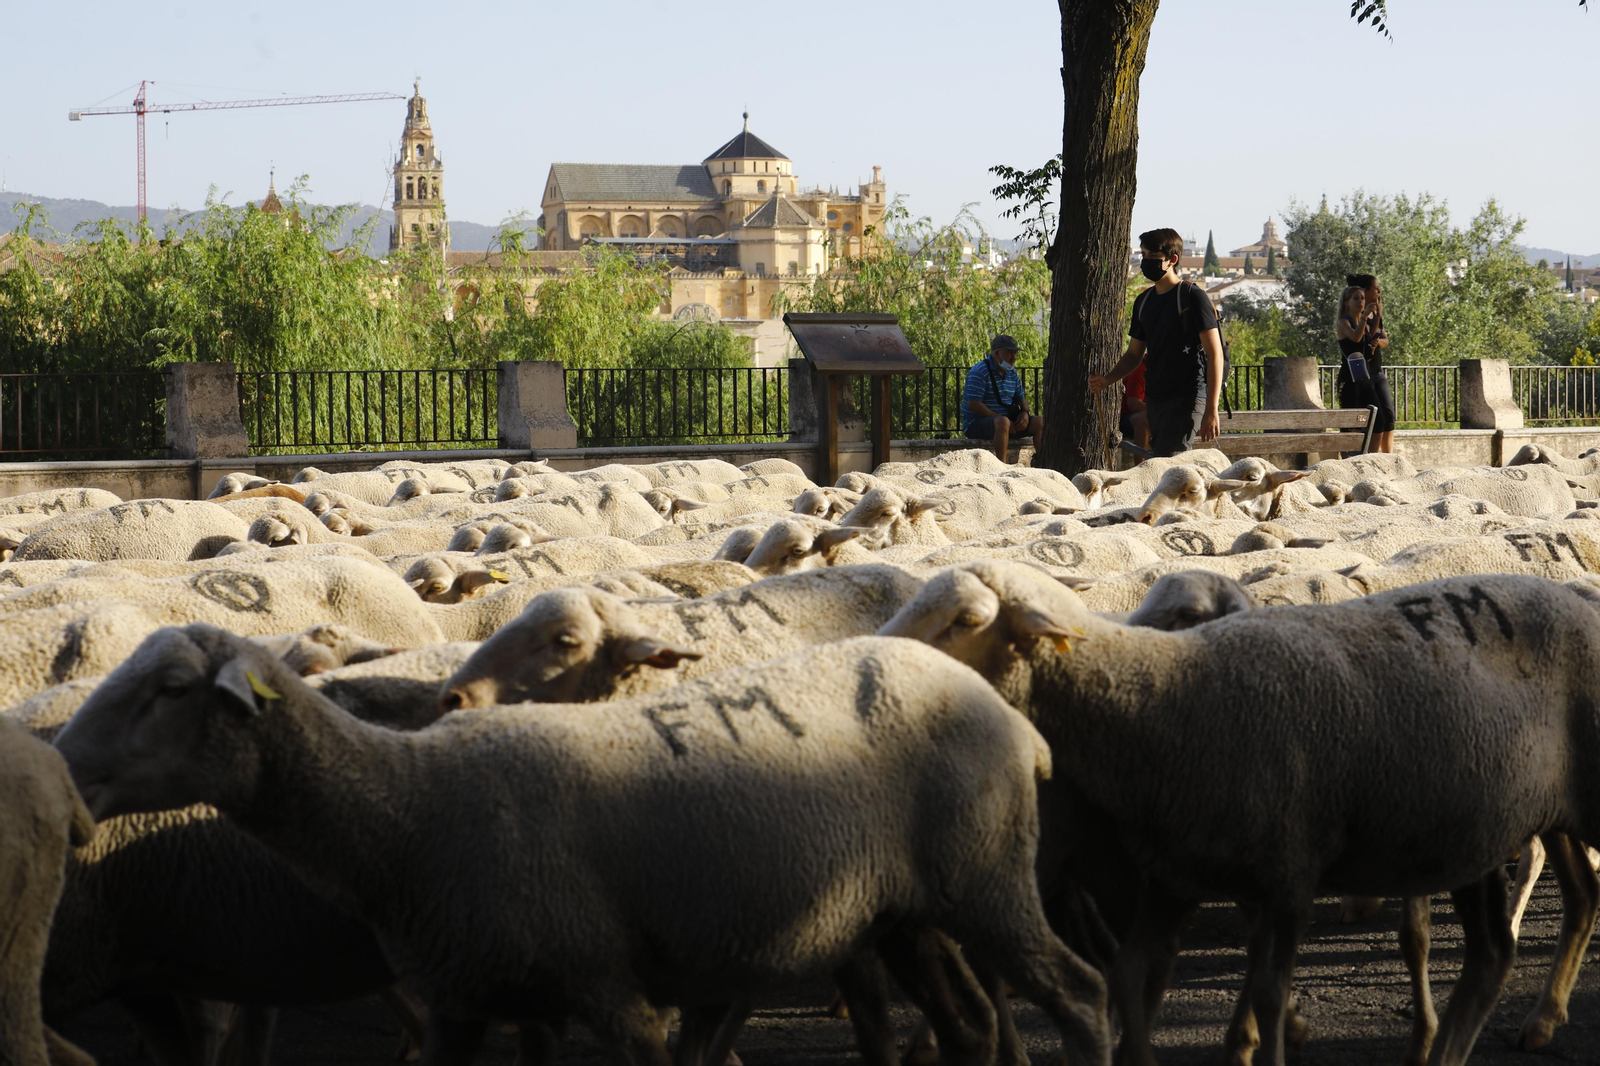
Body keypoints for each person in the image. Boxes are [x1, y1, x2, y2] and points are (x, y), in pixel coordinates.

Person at [1090, 228, 1224, 457]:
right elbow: (1134, 354)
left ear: (1172, 260)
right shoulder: (1143, 301)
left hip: (1188, 394)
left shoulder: (1192, 296)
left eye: (1153, 257)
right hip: (1155, 397)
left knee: (1171, 461)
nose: (1146, 262)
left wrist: (1212, 408)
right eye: (1144, 256)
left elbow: (1215, 354)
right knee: (1164, 462)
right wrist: (1107, 379)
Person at [1337, 272, 1396, 453]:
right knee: (1352, 424)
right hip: (1350, 379)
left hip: (1365, 378)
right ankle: (1351, 462)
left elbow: (1371, 344)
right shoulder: (1343, 323)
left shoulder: (1366, 321)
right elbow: (1355, 339)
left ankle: (1370, 459)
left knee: (1380, 421)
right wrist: (1365, 317)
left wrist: (1377, 316)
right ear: (1347, 303)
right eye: (1356, 298)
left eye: (1362, 298)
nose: (1361, 302)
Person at [962, 334, 1042, 461]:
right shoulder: (980, 371)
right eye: (1010, 353)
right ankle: (1002, 466)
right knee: (1002, 422)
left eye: (1015, 353)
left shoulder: (1012, 373)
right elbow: (974, 404)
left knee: (1039, 422)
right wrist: (998, 417)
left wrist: (1025, 414)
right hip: (978, 423)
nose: (1014, 357)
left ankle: (1043, 461)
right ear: (998, 353)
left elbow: (1022, 399)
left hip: (1006, 422)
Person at [1119, 362, 1149, 452]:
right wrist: (1159, 410)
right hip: (1124, 418)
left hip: (1155, 414)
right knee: (1145, 418)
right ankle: (1142, 464)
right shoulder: (1140, 369)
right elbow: (1134, 404)